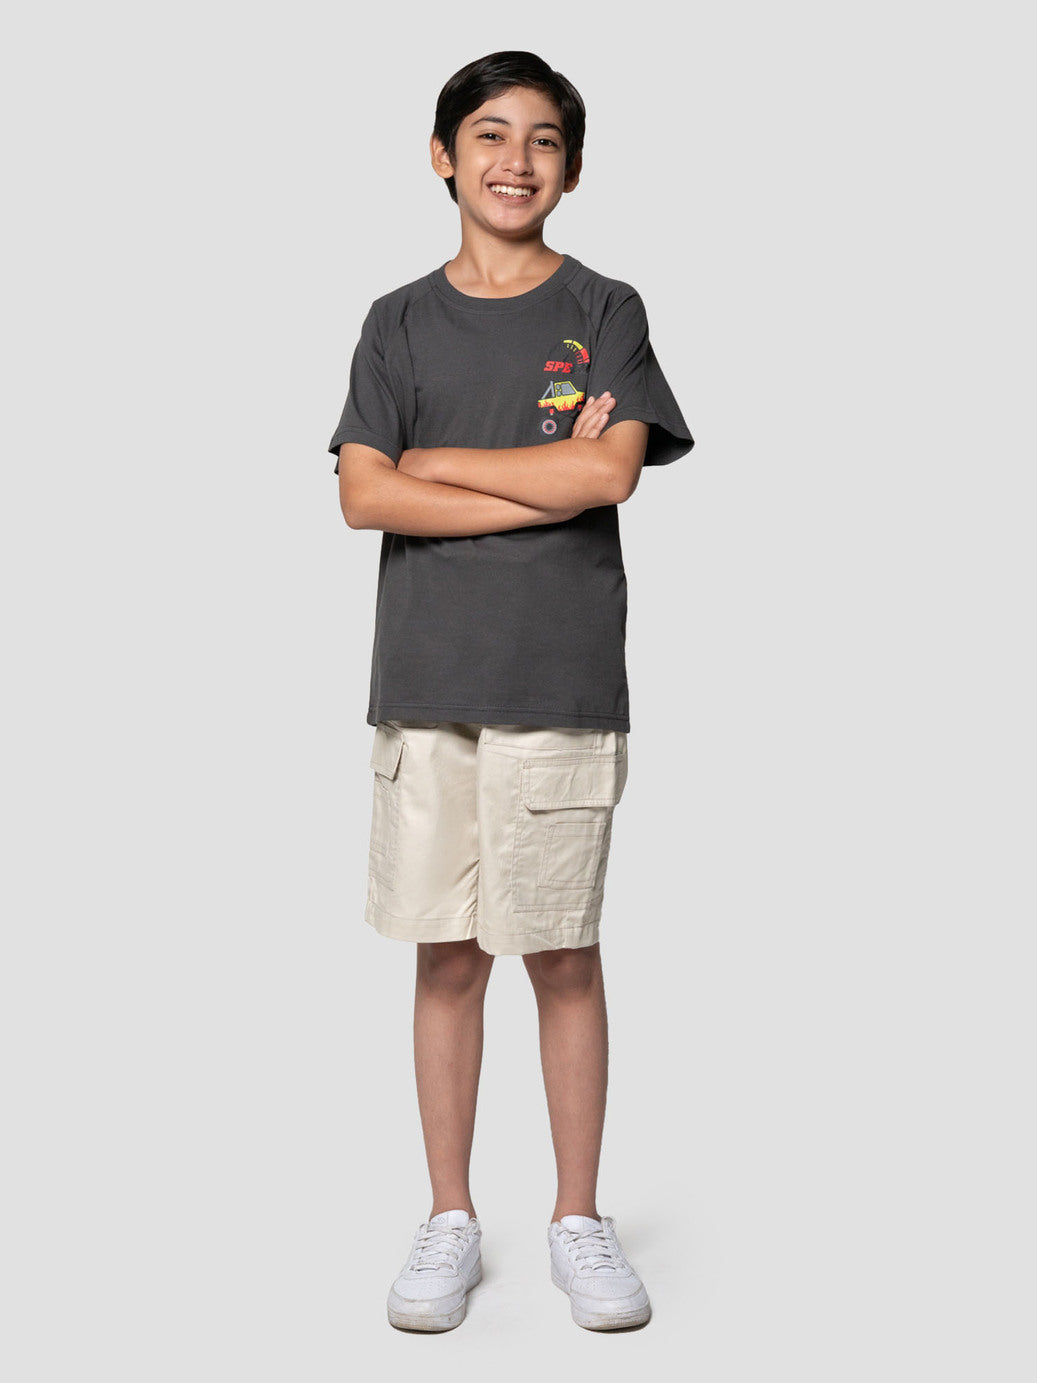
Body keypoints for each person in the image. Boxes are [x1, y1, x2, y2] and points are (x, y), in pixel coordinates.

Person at [329, 50, 694, 1332]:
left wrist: (436, 462)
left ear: (572, 170)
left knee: (563, 954)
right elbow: (362, 495)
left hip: (560, 681)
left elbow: (609, 477)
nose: (515, 160)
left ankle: (577, 1218)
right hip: (428, 681)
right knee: (445, 959)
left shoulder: (606, 309)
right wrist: (537, 474)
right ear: (444, 156)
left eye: (543, 140)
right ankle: (450, 1216)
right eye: (489, 134)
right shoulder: (396, 321)